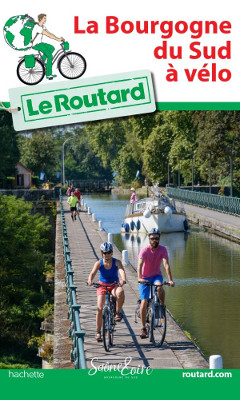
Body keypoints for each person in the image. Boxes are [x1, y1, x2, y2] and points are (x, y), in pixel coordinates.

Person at [137, 228, 175, 339]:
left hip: (156, 276)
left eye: (157, 238)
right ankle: (143, 328)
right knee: (144, 302)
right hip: (145, 277)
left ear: (159, 239)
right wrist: (139, 278)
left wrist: (170, 279)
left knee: (159, 287)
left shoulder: (163, 249)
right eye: (152, 238)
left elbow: (166, 264)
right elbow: (139, 265)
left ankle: (162, 306)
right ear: (149, 239)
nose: (155, 240)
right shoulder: (144, 250)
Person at [88, 242, 126, 342]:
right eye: (104, 253)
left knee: (120, 292)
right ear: (102, 253)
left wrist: (123, 279)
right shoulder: (99, 263)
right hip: (102, 285)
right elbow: (92, 273)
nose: (107, 255)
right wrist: (90, 280)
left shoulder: (116, 262)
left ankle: (117, 313)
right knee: (99, 308)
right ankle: (98, 331)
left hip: (114, 284)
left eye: (109, 252)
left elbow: (121, 270)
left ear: (112, 252)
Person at [31, 14, 64, 79]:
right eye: (44, 18)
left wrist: (58, 38)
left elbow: (50, 33)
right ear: (40, 19)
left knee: (52, 48)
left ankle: (42, 62)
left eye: (45, 18)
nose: (45, 19)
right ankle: (48, 74)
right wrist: (58, 39)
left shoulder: (43, 26)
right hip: (36, 45)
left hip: (40, 43)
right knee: (50, 56)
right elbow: (48, 35)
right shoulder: (37, 27)